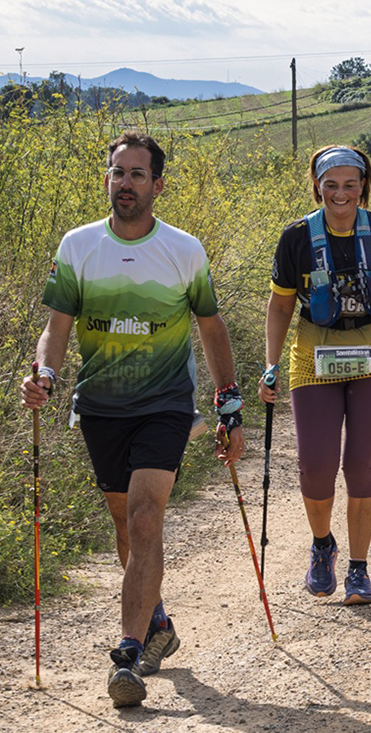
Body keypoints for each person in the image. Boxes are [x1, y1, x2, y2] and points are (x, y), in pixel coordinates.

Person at [20, 131, 245, 708]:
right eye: (117, 173)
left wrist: (228, 400)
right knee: (125, 526)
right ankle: (158, 624)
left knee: (146, 520)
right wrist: (45, 372)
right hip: (100, 405)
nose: (125, 183)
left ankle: (127, 654)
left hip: (165, 404)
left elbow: (211, 326)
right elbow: (57, 327)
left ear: (158, 186)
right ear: (107, 180)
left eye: (137, 174)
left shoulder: (183, 249)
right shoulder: (77, 247)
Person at [258, 145, 371, 606]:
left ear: (364, 185)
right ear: (317, 186)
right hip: (313, 352)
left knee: (360, 465)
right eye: (331, 184)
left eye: (350, 184)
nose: (341, 194)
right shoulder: (297, 235)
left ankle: (359, 569)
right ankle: (323, 545)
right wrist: (270, 365)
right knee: (315, 467)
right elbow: (281, 305)